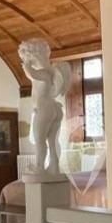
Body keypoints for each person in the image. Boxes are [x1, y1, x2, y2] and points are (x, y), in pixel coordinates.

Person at [18, 38, 70, 175]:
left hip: (44, 108)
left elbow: (31, 73)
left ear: (33, 55)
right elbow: (32, 76)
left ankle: (39, 167)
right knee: (52, 140)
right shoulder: (50, 71)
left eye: (26, 56)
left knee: (39, 139)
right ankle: (54, 166)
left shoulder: (43, 72)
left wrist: (27, 63)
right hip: (54, 107)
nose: (24, 60)